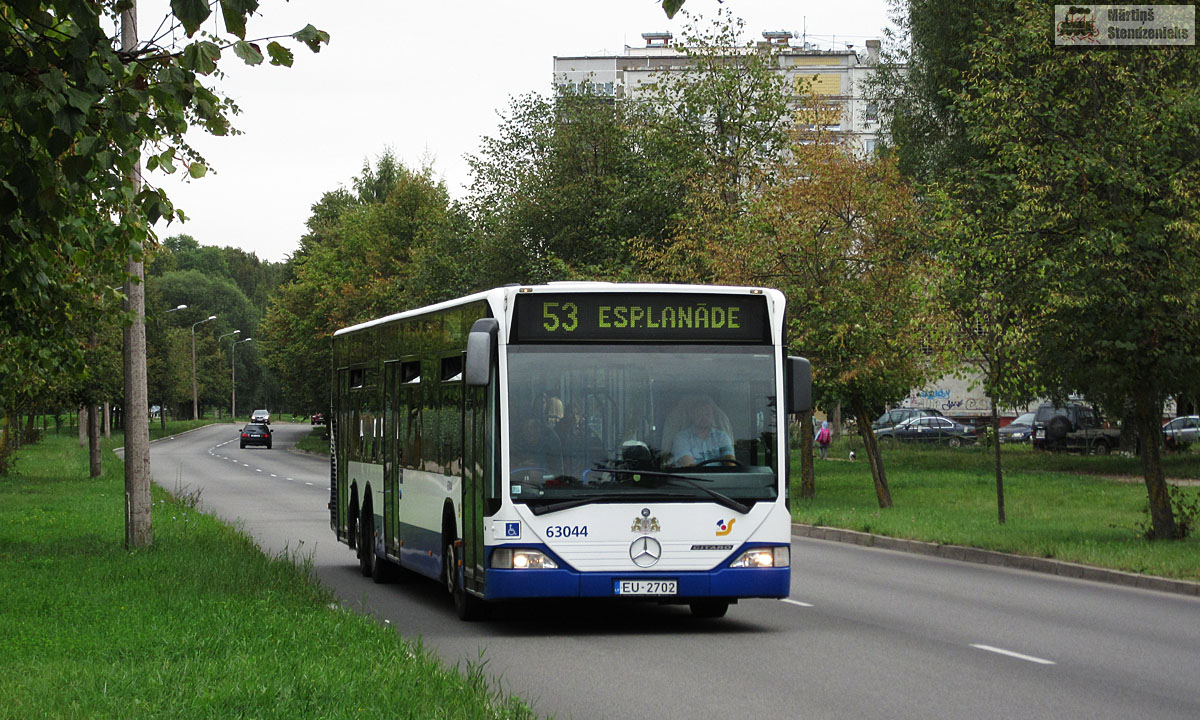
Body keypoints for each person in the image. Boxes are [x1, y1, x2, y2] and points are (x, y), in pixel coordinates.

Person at [671, 397, 735, 467]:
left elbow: (730, 463)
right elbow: (689, 467)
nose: (704, 417)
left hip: (721, 477)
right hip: (693, 477)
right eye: (699, 414)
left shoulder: (722, 436)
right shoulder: (681, 438)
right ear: (692, 416)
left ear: (712, 416)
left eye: (707, 414)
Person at [558, 402, 601, 479]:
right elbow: (559, 447)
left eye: (577, 414)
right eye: (571, 413)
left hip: (583, 465)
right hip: (564, 466)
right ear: (566, 415)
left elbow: (596, 445)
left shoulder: (585, 429)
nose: (574, 417)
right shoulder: (559, 429)